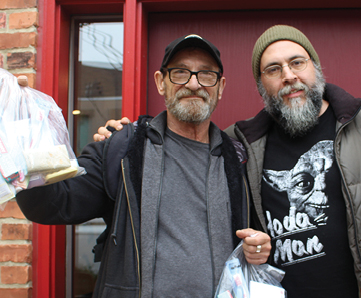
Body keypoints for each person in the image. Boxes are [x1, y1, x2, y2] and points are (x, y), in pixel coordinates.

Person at [98, 25, 361, 298]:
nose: (288, 75)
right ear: (262, 84)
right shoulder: (236, 146)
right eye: (273, 69)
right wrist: (125, 137)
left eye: (297, 62)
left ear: (315, 69)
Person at [15, 34, 271, 298]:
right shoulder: (123, 149)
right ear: (160, 82)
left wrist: (259, 246)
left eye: (206, 75)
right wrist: (23, 125)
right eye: (180, 73)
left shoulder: (238, 158)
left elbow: (256, 235)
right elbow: (52, 204)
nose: (194, 84)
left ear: (220, 86)